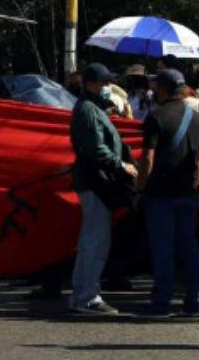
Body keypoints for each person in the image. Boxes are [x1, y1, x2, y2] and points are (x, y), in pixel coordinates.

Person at [68, 63, 132, 316]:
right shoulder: (87, 109)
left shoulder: (92, 108)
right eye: (104, 83)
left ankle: (81, 293)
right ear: (92, 84)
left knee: (92, 240)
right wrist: (121, 165)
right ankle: (87, 297)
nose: (108, 88)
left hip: (94, 180)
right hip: (95, 179)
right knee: (96, 240)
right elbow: (96, 149)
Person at [134, 68, 199, 318]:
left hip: (160, 194)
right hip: (187, 193)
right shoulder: (195, 117)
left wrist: (139, 189)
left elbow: (148, 159)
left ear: (161, 89)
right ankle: (193, 302)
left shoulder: (156, 116)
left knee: (163, 250)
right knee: (189, 248)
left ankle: (161, 304)